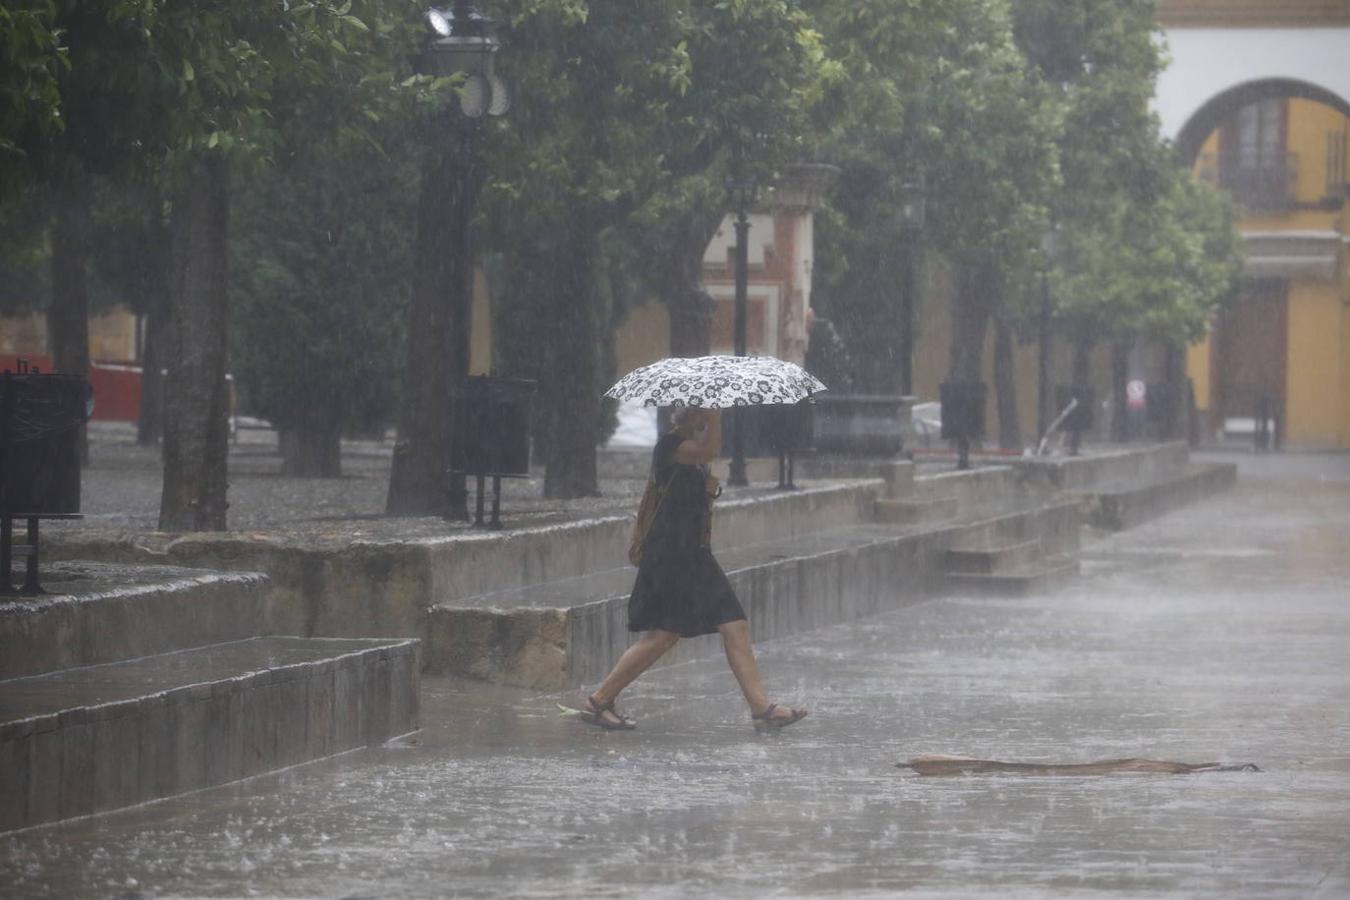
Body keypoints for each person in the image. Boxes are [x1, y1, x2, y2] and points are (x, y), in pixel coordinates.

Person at [579, 406, 807, 732]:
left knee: (735, 625)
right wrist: (715, 417)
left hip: (696, 557)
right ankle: (598, 701)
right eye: (700, 414)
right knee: (663, 635)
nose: (706, 420)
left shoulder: (688, 449)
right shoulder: (670, 446)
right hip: (670, 557)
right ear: (687, 415)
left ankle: (762, 711)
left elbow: (706, 459)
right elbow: (709, 450)